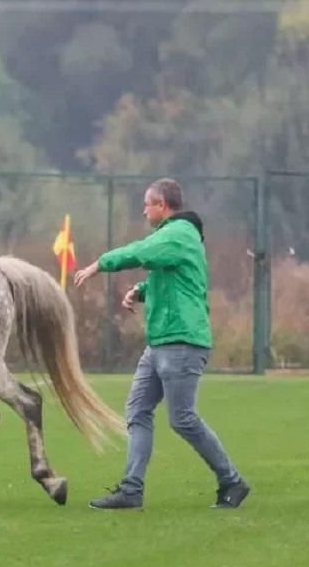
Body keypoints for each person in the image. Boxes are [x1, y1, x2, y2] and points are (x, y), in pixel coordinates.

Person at [73, 178, 250, 510]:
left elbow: (142, 252)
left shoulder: (177, 234)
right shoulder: (173, 238)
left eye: (147, 204)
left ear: (162, 206)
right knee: (138, 410)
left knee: (182, 418)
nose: (143, 210)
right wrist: (141, 291)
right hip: (160, 343)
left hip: (181, 342)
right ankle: (131, 490)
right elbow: (170, 275)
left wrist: (99, 264)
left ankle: (232, 481)